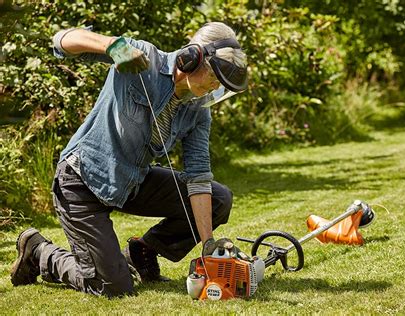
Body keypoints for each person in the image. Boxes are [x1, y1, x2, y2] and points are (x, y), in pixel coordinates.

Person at [10, 22, 248, 297]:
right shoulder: (143, 58)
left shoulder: (197, 111)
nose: (216, 86)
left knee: (219, 199)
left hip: (131, 182)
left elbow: (197, 175)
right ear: (192, 58)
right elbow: (61, 40)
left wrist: (208, 245)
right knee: (113, 287)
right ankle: (39, 252)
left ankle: (142, 251)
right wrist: (112, 46)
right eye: (215, 76)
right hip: (80, 182)